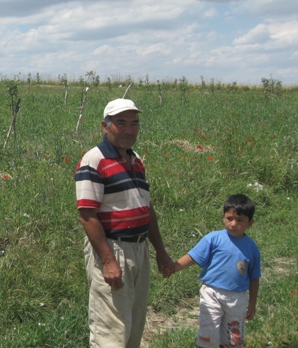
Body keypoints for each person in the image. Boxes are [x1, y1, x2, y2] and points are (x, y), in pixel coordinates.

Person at [75, 98, 173, 348]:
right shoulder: (94, 160)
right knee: (111, 332)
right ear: (105, 127)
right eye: (121, 123)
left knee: (134, 325)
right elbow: (87, 214)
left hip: (139, 250)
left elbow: (146, 209)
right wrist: (108, 261)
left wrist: (160, 251)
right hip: (113, 248)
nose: (129, 129)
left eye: (134, 123)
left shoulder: (135, 160)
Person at [169, 194, 261, 348]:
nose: (233, 224)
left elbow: (254, 277)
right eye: (229, 218)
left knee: (233, 337)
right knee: (209, 328)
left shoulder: (252, 248)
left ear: (250, 223)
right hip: (212, 292)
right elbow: (193, 256)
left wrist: (252, 303)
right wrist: (173, 267)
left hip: (237, 298)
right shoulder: (213, 239)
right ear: (223, 217)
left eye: (240, 220)